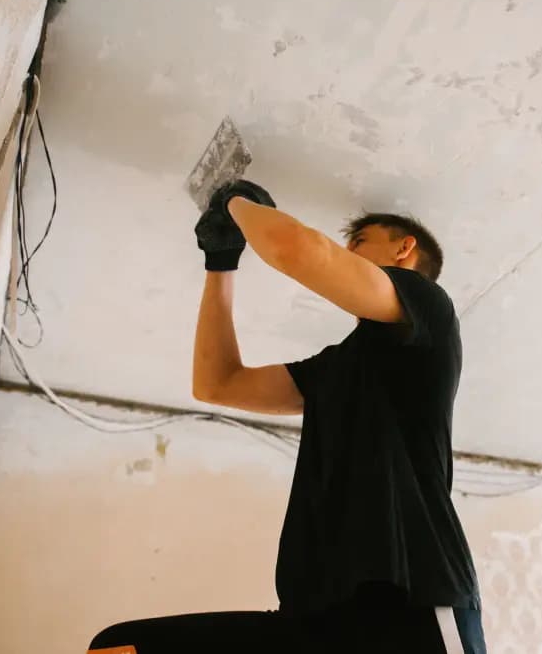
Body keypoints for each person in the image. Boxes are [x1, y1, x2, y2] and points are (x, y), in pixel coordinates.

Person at [87, 180, 485, 653]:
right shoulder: (336, 368)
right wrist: (221, 261)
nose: (346, 255)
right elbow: (219, 382)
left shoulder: (430, 312)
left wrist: (235, 203)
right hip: (316, 617)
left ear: (404, 248)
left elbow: (294, 247)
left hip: (414, 602)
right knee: (117, 647)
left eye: (357, 243)